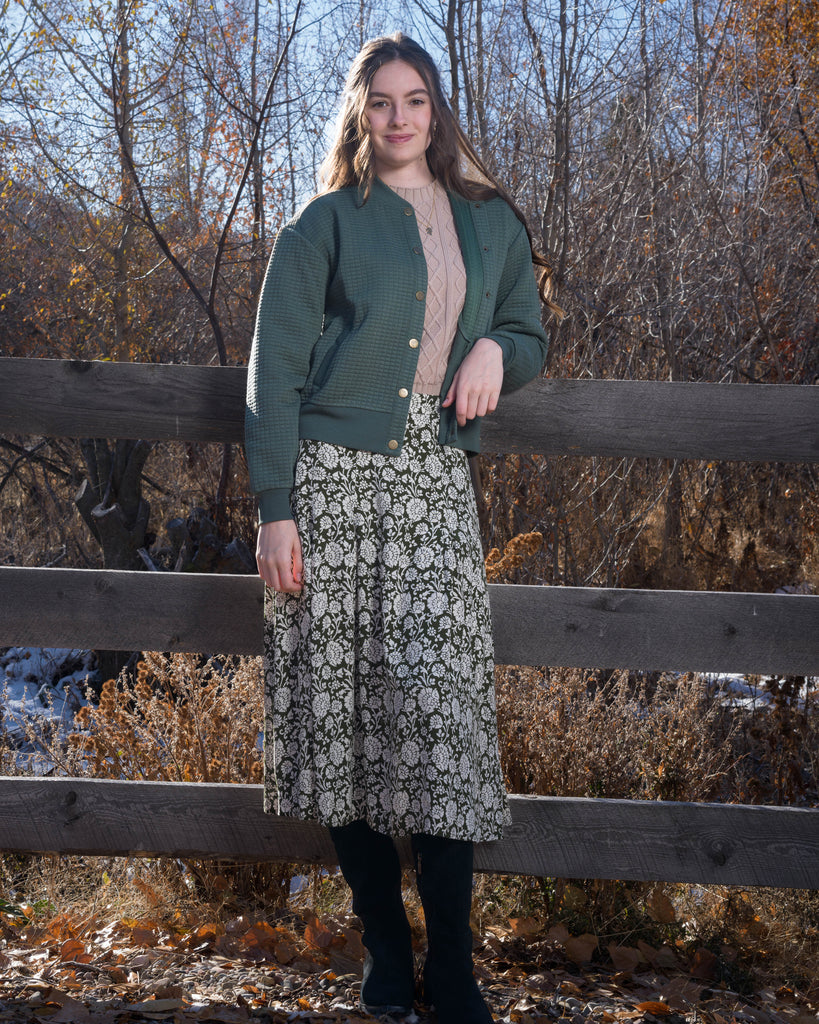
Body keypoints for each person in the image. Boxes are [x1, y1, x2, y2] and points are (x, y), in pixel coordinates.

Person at [245, 32, 562, 1023]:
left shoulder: (489, 221)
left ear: (437, 110)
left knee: (443, 718)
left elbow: (528, 326)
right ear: (357, 111)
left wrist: (499, 356)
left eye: (414, 99)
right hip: (330, 489)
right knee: (341, 724)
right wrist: (276, 511)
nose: (398, 118)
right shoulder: (325, 222)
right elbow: (273, 377)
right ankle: (386, 947)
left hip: (433, 489)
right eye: (379, 100)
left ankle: (454, 963)